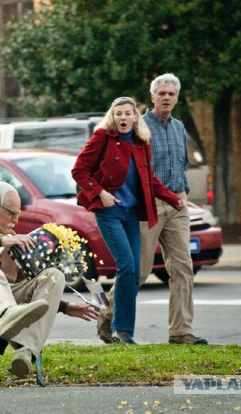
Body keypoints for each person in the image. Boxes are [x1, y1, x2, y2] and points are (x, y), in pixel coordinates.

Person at [0, 181, 99, 378]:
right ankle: (7, 315)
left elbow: (24, 283)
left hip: (3, 294)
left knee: (54, 275)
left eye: (18, 214)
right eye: (11, 213)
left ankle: (25, 350)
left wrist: (64, 306)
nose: (15, 219)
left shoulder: (12, 238)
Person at [97, 74, 209, 346]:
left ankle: (181, 332)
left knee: (183, 267)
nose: (167, 97)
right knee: (139, 269)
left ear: (177, 97)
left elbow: (180, 165)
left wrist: (180, 196)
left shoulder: (179, 128)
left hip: (176, 202)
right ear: (153, 97)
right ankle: (108, 317)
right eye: (162, 94)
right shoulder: (139, 126)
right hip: (147, 204)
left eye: (171, 94)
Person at [72, 96, 184, 345]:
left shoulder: (141, 143)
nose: (123, 118)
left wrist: (173, 198)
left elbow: (149, 179)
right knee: (127, 266)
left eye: (127, 114)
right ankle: (121, 332)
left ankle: (120, 330)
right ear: (113, 117)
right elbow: (79, 170)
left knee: (133, 273)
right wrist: (101, 193)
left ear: (135, 117)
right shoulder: (102, 137)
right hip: (109, 212)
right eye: (118, 114)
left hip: (132, 213)